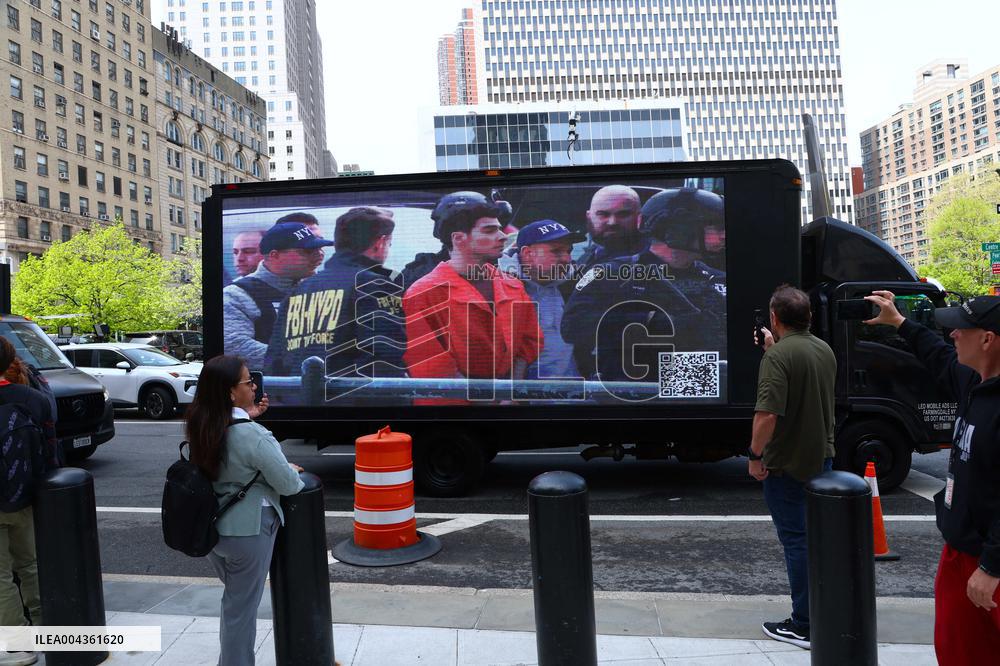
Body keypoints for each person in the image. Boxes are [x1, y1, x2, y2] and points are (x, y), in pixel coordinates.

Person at [864, 291, 1000, 664]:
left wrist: (991, 566)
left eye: (960, 328)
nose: (952, 334)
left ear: (987, 339)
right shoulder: (974, 382)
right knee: (957, 651)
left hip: (990, 563)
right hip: (959, 552)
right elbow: (936, 354)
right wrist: (900, 323)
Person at [186, 355, 304, 666]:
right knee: (240, 611)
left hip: (213, 531)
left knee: (235, 602)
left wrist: (247, 415)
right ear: (229, 392)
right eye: (248, 382)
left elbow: (230, 454)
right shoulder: (254, 435)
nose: (254, 386)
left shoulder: (202, 424)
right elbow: (290, 484)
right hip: (248, 532)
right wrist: (287, 469)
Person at [561, 187, 727, 381]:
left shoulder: (717, 280)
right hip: (629, 395)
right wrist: (656, 322)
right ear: (681, 229)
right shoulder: (612, 274)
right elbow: (573, 327)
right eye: (715, 228)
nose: (723, 235)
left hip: (699, 393)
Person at [748, 285, 836, 650]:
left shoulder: (778, 358)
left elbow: (768, 414)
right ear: (809, 317)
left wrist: (754, 456)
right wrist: (774, 348)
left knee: (796, 543)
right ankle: (825, 614)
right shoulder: (823, 350)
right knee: (816, 540)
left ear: (774, 318)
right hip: (821, 459)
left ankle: (804, 624)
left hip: (786, 463)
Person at [403, 191, 540, 405]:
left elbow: (529, 342)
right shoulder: (423, 293)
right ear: (458, 239)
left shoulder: (512, 286)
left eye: (500, 228)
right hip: (449, 416)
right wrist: (490, 403)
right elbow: (434, 367)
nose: (503, 236)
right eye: (489, 230)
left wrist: (509, 393)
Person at [265, 207, 407, 402]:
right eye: (389, 244)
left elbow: (273, 363)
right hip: (357, 417)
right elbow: (385, 360)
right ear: (380, 243)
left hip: (297, 413)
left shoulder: (298, 291)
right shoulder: (375, 284)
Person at [0, 338, 60, 666]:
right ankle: (45, 630)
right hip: (24, 495)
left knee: (0, 575)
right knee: (30, 563)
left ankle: (20, 646)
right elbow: (51, 450)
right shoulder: (34, 399)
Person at [223, 221, 334, 369]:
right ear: (275, 255)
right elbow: (235, 347)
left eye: (318, 249)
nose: (318, 255)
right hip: (266, 390)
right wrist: (307, 362)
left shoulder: (316, 289)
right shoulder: (237, 295)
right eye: (306, 251)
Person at [512, 219, 584, 380]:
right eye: (556, 251)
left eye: (569, 251)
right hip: (521, 394)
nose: (567, 259)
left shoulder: (576, 284)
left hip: (570, 392)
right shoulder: (498, 288)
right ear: (527, 254)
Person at [576, 185, 646, 274]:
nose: (612, 222)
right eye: (603, 214)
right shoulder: (584, 257)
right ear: (589, 217)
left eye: (623, 214)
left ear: (639, 217)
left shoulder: (652, 261)